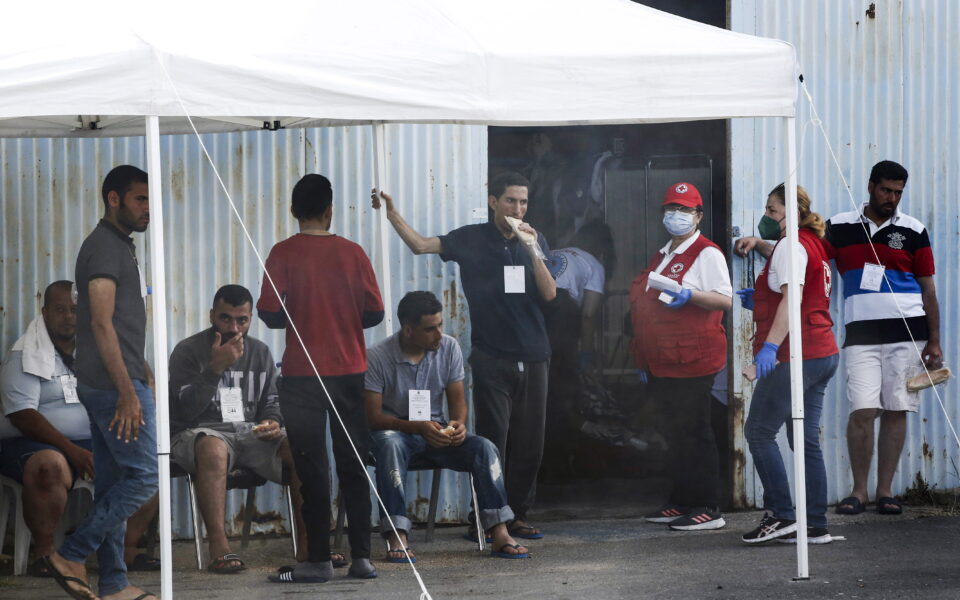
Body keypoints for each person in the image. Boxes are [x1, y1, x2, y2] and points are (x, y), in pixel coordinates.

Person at [372, 171, 556, 540]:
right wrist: (391, 214)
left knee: (530, 444)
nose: (517, 208)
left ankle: (517, 515)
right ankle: (487, 520)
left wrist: (533, 248)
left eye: (522, 202)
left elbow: (549, 294)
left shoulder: (534, 241)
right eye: (510, 201)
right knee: (494, 441)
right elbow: (421, 245)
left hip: (535, 355)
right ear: (493, 202)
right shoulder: (471, 238)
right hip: (492, 356)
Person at [258, 174, 384, 584]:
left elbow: (271, 314)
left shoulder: (282, 253)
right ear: (330, 210)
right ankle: (363, 558)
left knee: (311, 467)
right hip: (349, 371)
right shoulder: (354, 253)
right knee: (355, 462)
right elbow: (375, 313)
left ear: (293, 211)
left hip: (302, 375)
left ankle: (317, 561)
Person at [45, 165, 159, 600]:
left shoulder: (118, 246)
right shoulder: (104, 249)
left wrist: (140, 362)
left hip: (118, 377)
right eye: (139, 200)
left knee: (114, 484)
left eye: (149, 200)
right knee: (146, 476)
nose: (147, 209)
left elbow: (119, 325)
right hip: (114, 387)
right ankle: (72, 552)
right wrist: (128, 391)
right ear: (114, 199)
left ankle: (113, 584)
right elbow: (100, 321)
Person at [0, 281, 159, 578]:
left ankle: (124, 549)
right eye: (60, 310)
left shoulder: (98, 349)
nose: (69, 317)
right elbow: (22, 415)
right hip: (31, 443)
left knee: (144, 466)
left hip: (93, 438)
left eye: (75, 310)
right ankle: (46, 554)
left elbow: (135, 387)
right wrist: (74, 452)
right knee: (49, 465)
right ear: (45, 313)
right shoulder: (24, 353)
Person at [364, 291, 529, 562]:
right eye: (430, 329)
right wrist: (415, 427)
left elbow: (458, 403)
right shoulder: (378, 357)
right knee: (390, 442)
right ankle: (397, 535)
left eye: (440, 325)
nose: (439, 334)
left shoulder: (449, 347)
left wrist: (458, 425)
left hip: (437, 436)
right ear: (408, 330)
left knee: (484, 447)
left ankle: (499, 532)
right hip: (393, 437)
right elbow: (372, 417)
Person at [168, 284, 308, 573]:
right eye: (225, 318)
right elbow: (183, 411)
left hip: (250, 433)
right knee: (213, 447)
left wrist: (273, 421)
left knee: (301, 445)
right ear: (211, 316)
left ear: (250, 318)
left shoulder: (260, 351)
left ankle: (311, 545)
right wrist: (214, 369)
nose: (234, 327)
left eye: (241, 320)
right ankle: (219, 546)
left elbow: (273, 399)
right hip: (200, 433)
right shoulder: (188, 351)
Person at [733, 184, 840, 544]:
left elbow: (791, 301)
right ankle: (815, 524)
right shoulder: (813, 244)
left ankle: (781, 516)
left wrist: (769, 350)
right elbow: (798, 294)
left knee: (758, 433)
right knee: (804, 439)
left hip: (798, 354)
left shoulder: (791, 246)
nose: (767, 215)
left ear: (791, 212)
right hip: (822, 351)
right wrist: (759, 302)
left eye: (772, 209)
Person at [629, 182, 732, 531]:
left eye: (685, 210)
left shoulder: (707, 253)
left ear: (698, 215)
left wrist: (690, 295)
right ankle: (682, 499)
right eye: (671, 208)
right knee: (672, 431)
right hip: (663, 360)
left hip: (693, 359)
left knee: (694, 431)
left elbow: (724, 299)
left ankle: (707, 506)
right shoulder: (664, 254)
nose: (677, 215)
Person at [541, 220, 614, 477]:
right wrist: (585, 352)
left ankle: (544, 462)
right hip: (560, 317)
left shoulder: (558, 252)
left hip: (534, 314)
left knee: (540, 390)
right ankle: (559, 465)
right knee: (563, 390)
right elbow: (588, 316)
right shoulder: (594, 264)